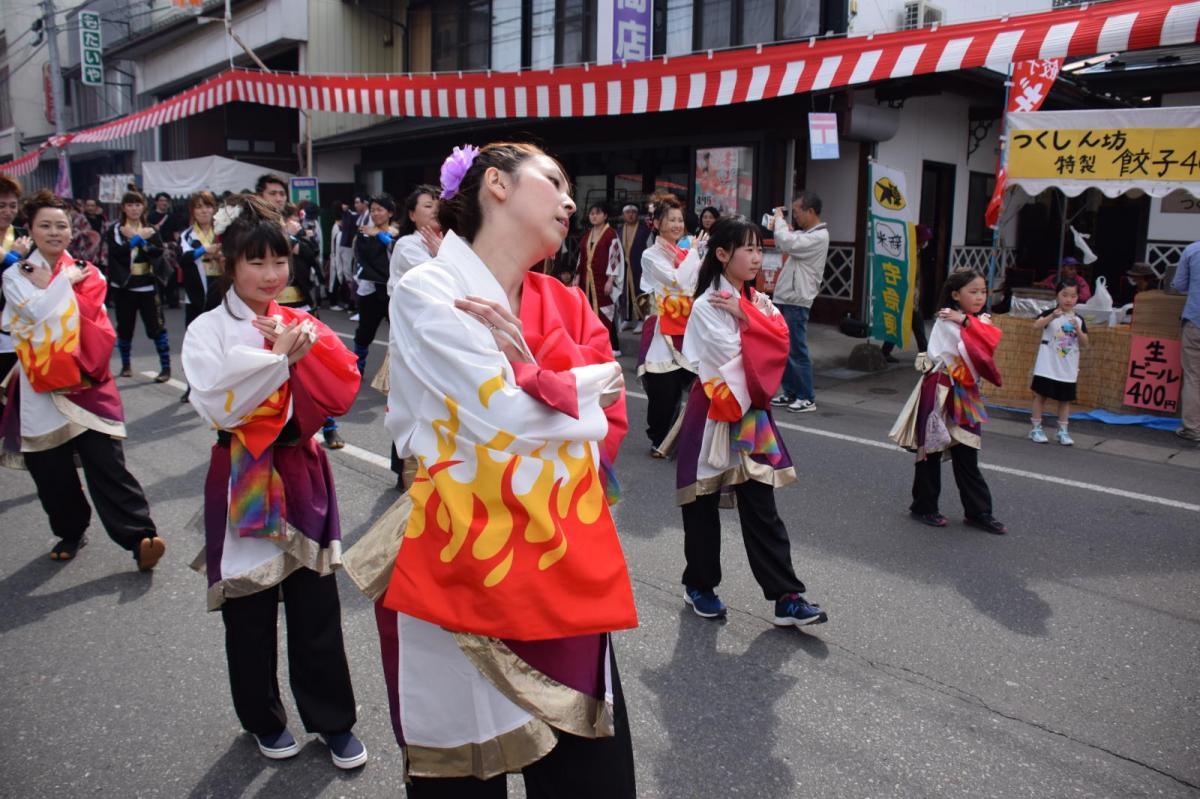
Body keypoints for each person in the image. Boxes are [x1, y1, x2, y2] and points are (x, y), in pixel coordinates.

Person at [377, 141, 636, 795]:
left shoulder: (569, 301)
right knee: (464, 765)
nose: (570, 200)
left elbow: (609, 414)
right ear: (495, 183)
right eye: (553, 180)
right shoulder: (426, 288)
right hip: (462, 547)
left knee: (587, 764)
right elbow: (505, 420)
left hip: (558, 548)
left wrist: (530, 375)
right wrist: (553, 382)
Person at [180, 194, 367, 770]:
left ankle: (333, 722)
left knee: (315, 607)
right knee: (250, 608)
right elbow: (218, 408)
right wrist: (275, 361)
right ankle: (262, 718)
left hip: (300, 467)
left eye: (279, 262)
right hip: (243, 472)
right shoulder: (207, 330)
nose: (271, 275)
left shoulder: (300, 321)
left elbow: (341, 392)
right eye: (257, 263)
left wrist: (306, 355)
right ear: (229, 265)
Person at [675, 215, 828, 627]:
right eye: (749, 249)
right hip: (713, 407)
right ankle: (700, 585)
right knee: (702, 501)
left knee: (762, 502)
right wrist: (753, 323)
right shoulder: (709, 304)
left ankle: (786, 596)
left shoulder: (753, 301)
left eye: (761, 248)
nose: (758, 257)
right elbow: (735, 356)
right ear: (722, 254)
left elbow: (780, 345)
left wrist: (747, 316)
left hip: (749, 410)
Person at [1, 190, 165, 567]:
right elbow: (37, 317)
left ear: (72, 230)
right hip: (38, 384)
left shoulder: (89, 273)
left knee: (107, 461)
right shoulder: (14, 275)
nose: (54, 232)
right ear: (31, 229)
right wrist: (62, 286)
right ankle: (70, 530)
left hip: (87, 380)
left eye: (61, 225)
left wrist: (59, 290)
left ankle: (141, 536)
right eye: (45, 225)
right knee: (50, 470)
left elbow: (84, 318)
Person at [889, 269, 1007, 534]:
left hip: (965, 392)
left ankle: (979, 512)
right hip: (941, 388)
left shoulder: (972, 320)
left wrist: (966, 320)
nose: (979, 297)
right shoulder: (946, 320)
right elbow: (972, 350)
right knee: (931, 450)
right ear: (955, 295)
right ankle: (924, 506)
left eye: (983, 291)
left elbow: (988, 344)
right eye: (972, 292)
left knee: (968, 453)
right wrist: (968, 322)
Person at [638, 194, 701, 457]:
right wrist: (695, 254)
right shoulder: (650, 254)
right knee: (663, 386)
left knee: (693, 382)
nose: (677, 224)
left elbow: (693, 284)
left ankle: (682, 436)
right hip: (662, 327)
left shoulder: (685, 253)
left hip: (686, 324)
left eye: (679, 219)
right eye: (671, 219)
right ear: (658, 223)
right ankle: (660, 438)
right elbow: (678, 282)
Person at [769, 191, 828, 413]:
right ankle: (791, 392)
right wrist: (784, 227)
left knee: (796, 349)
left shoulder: (819, 236)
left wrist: (780, 222)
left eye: (797, 211)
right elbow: (788, 241)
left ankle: (806, 397)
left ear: (810, 211)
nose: (795, 216)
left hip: (797, 299)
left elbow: (785, 242)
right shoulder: (808, 234)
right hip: (788, 297)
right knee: (784, 348)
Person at [103, 189, 171, 382]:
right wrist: (136, 239)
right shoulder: (116, 229)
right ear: (123, 208)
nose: (134, 209)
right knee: (125, 327)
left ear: (143, 207)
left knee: (157, 327)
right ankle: (126, 364)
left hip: (148, 285)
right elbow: (117, 253)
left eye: (138, 204)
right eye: (130, 205)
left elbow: (158, 252)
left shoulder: (151, 229)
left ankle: (165, 367)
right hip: (125, 285)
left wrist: (139, 239)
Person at [1029, 280, 1089, 446]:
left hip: (1067, 367)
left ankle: (1062, 431)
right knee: (1040, 395)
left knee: (1065, 400)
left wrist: (1078, 330)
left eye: (1073, 296)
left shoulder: (1079, 319)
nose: (1068, 299)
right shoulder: (1050, 313)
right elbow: (1036, 325)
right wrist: (1052, 316)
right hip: (1047, 364)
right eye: (1065, 295)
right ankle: (1036, 427)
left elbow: (1085, 342)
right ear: (1057, 295)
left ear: (1077, 298)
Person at [351, 193, 398, 374]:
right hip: (370, 289)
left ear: (390, 212)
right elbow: (366, 259)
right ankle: (357, 367)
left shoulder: (398, 234)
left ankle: (398, 371)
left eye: (380, 209)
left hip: (393, 291)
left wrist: (380, 235)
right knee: (365, 332)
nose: (376, 213)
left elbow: (398, 250)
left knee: (399, 333)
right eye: (372, 210)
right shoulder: (364, 233)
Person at [575, 202, 623, 354]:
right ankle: (592, 344)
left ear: (605, 216)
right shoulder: (587, 235)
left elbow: (615, 258)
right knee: (587, 312)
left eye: (598, 213)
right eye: (592, 213)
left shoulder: (610, 234)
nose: (594, 216)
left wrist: (611, 279)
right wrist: (577, 275)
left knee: (605, 313)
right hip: (586, 281)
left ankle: (608, 346)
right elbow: (581, 257)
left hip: (602, 282)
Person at [882, 223, 933, 362]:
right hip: (906, 296)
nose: (925, 243)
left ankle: (885, 352)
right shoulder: (908, 254)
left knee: (907, 325)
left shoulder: (916, 252)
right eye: (924, 240)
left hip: (912, 296)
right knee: (916, 327)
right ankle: (924, 354)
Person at [0, 174, 31, 380]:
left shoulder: (24, 236)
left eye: (13, 205)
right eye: (1, 206)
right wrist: (14, 257)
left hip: (16, 323)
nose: (8, 211)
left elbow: (31, 274)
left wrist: (13, 259)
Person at [1173, 239, 1200, 443]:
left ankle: (1192, 428)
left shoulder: (1193, 250)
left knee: (1193, 377)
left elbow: (1179, 285)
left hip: (1196, 320)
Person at [617, 203, 650, 332]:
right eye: (627, 212)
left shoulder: (644, 230)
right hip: (624, 268)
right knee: (624, 293)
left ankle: (641, 319)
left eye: (633, 212)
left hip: (639, 267)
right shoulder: (619, 231)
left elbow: (649, 247)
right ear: (623, 215)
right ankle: (628, 319)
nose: (630, 215)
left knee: (639, 291)